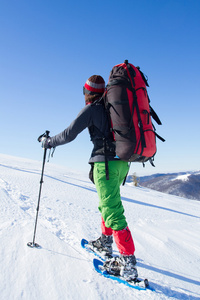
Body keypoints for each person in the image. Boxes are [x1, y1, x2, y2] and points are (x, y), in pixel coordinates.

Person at [41, 75, 138, 280]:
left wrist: (48, 142)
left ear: (87, 93)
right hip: (121, 163)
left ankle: (127, 264)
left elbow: (68, 134)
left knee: (113, 211)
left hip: (106, 166)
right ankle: (105, 241)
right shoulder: (112, 107)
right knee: (107, 204)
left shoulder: (92, 109)